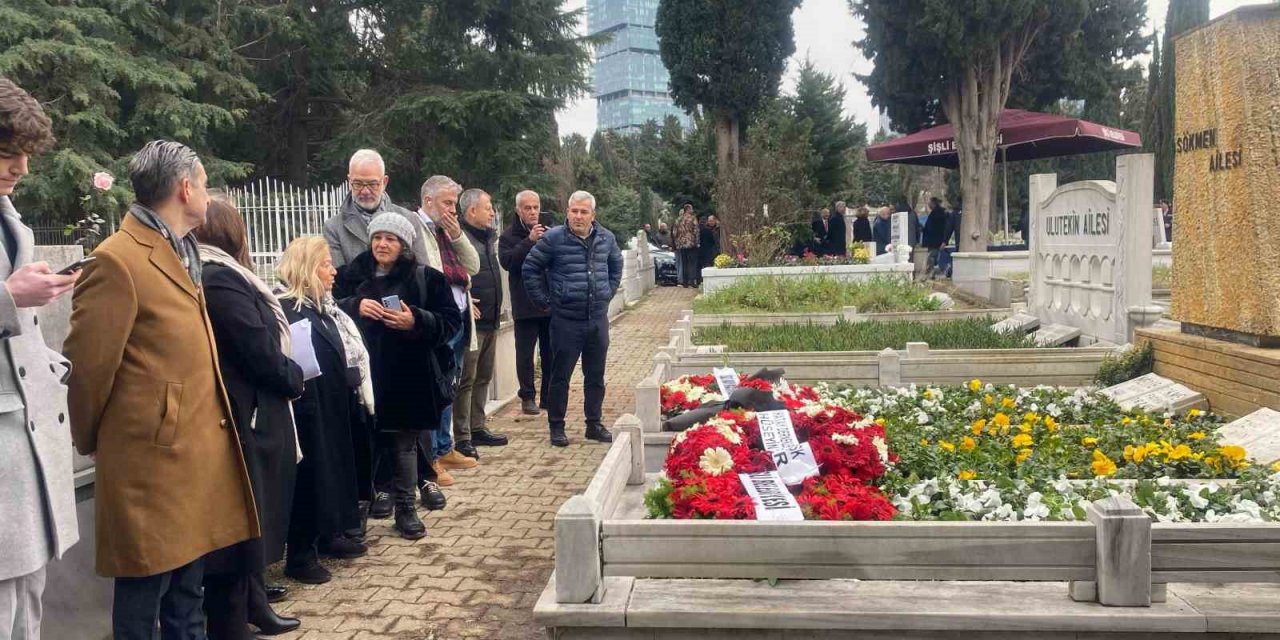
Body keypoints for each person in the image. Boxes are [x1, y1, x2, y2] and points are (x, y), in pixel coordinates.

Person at [66, 140, 259, 636]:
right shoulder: (117, 260)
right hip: (148, 466)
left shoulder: (185, 252)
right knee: (144, 596)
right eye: (205, 182)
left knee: (187, 599)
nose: (210, 194)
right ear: (185, 188)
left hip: (191, 460)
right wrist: (98, 443)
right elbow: (87, 370)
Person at [194, 194, 304, 638]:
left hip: (254, 408)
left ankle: (254, 603)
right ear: (229, 231)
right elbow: (255, 346)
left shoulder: (230, 274)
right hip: (243, 411)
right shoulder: (218, 278)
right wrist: (291, 375)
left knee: (254, 516)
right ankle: (232, 620)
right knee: (243, 519)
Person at [0, 77, 79, 640]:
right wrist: (8, 298)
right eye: (8, 155)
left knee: (27, 593)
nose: (22, 169)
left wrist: (51, 361)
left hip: (28, 441)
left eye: (25, 155)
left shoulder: (10, 219)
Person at [335, 214, 462, 540]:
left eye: (390, 239)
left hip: (409, 377)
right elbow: (329, 308)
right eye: (378, 237)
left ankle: (406, 509)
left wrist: (416, 321)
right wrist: (355, 306)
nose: (382, 244)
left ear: (404, 244)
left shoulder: (427, 278)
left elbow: (451, 322)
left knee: (405, 445)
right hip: (363, 376)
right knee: (365, 444)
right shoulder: (351, 275)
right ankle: (363, 508)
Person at [274, 236, 367, 584]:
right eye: (326, 264)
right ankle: (300, 554)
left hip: (331, 405)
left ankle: (328, 535)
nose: (333, 271)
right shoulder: (290, 308)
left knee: (331, 475)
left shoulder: (319, 306)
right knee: (312, 480)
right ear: (307, 268)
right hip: (308, 410)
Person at [522, 190, 622, 447]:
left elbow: (616, 265)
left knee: (595, 376)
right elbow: (530, 268)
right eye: (574, 211)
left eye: (583, 212)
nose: (578, 216)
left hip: (596, 320)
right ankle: (557, 426)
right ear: (567, 212)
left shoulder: (606, 238)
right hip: (565, 320)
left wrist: (607, 292)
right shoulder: (553, 238)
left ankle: (594, 424)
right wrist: (545, 302)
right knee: (560, 375)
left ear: (593, 215)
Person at [413, 175, 480, 486]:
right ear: (428, 201)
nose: (453, 209)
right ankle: (430, 461)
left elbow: (473, 266)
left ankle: (445, 446)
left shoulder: (448, 230)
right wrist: (460, 277)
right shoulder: (416, 227)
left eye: (454, 203)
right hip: (435, 322)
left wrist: (458, 237)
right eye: (447, 203)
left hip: (458, 319)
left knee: (449, 386)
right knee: (432, 389)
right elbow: (433, 272)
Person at [454, 188, 510, 459]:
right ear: (471, 210)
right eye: (487, 208)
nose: (492, 213)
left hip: (492, 317)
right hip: (472, 321)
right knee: (467, 378)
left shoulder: (488, 238)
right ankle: (462, 435)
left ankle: (478, 426)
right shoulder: (459, 238)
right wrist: (465, 301)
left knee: (484, 376)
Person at [499, 190, 555, 416]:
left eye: (535, 207)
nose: (533, 212)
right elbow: (508, 262)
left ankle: (548, 396)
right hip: (524, 305)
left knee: (551, 352)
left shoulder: (551, 232)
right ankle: (527, 396)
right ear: (518, 210)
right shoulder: (509, 236)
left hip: (549, 302)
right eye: (527, 208)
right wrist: (529, 241)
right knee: (525, 354)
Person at [672, 204, 700, 287]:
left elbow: (674, 232)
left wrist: (678, 241)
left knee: (684, 262)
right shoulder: (692, 218)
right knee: (692, 262)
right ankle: (692, 281)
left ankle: (685, 282)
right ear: (688, 209)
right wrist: (697, 242)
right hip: (691, 243)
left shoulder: (678, 219)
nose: (692, 210)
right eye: (691, 209)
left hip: (681, 244)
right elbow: (696, 231)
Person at [922, 197, 950, 277]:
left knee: (932, 257)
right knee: (932, 257)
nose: (928, 205)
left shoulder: (937, 214)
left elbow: (934, 228)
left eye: (929, 203)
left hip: (935, 241)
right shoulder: (937, 213)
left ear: (933, 203)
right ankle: (932, 273)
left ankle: (932, 273)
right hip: (935, 240)